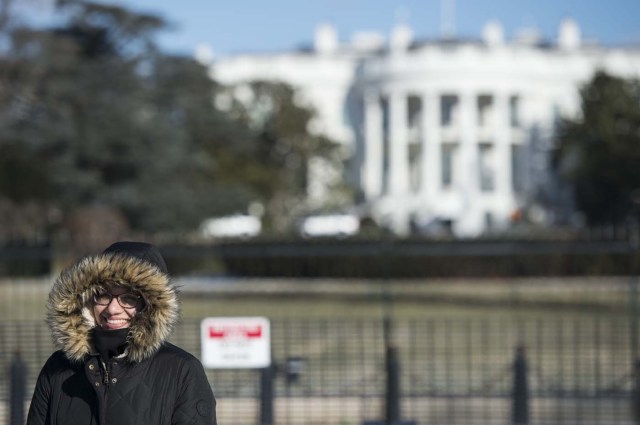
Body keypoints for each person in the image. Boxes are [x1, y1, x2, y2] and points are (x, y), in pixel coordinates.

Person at [27, 241, 217, 425]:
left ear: (151, 307)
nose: (112, 309)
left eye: (129, 298)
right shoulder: (58, 368)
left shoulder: (182, 371)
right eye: (103, 295)